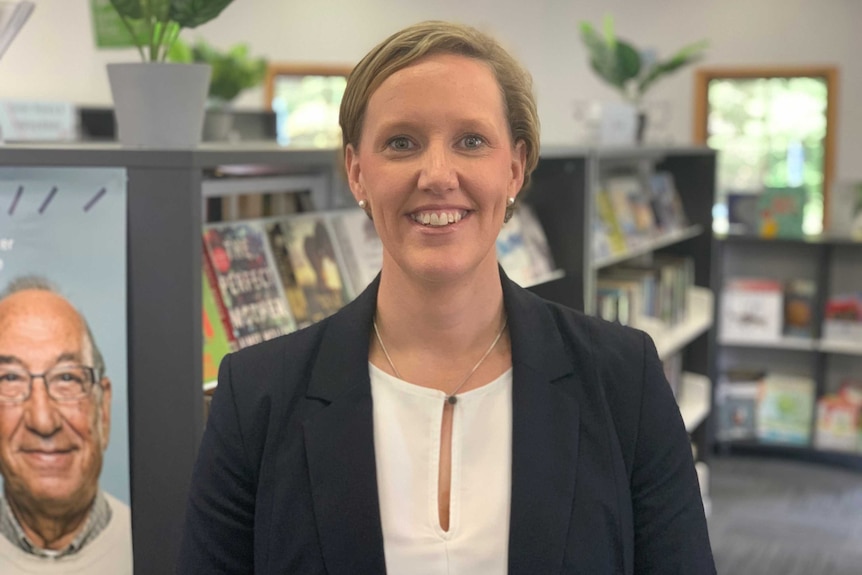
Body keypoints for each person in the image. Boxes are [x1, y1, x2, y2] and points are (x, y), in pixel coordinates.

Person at [178, 20, 716, 574]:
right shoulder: (257, 397)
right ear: (357, 172)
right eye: (401, 143)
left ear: (514, 168)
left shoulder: (624, 380)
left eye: (471, 141)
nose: (437, 175)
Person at [0, 277, 132, 574]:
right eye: (10, 379)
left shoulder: (167, 548)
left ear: (103, 408)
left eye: (67, 378)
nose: (43, 421)